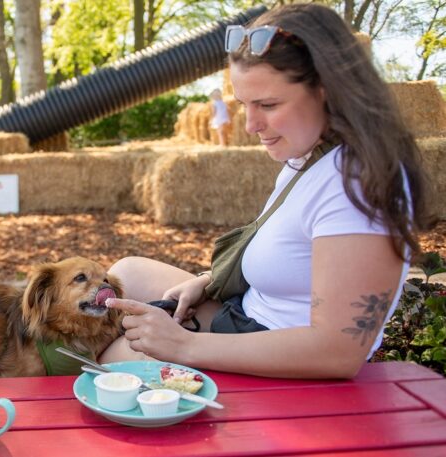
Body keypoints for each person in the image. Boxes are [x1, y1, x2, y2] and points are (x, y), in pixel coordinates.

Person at [99, 3, 430, 379]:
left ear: (328, 90)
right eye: (243, 105)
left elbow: (337, 352)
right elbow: (293, 260)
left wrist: (184, 345)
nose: (251, 126)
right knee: (125, 274)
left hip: (283, 362)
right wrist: (207, 283)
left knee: (107, 360)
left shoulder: (359, 184)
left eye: (268, 105)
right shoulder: (310, 157)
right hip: (246, 317)